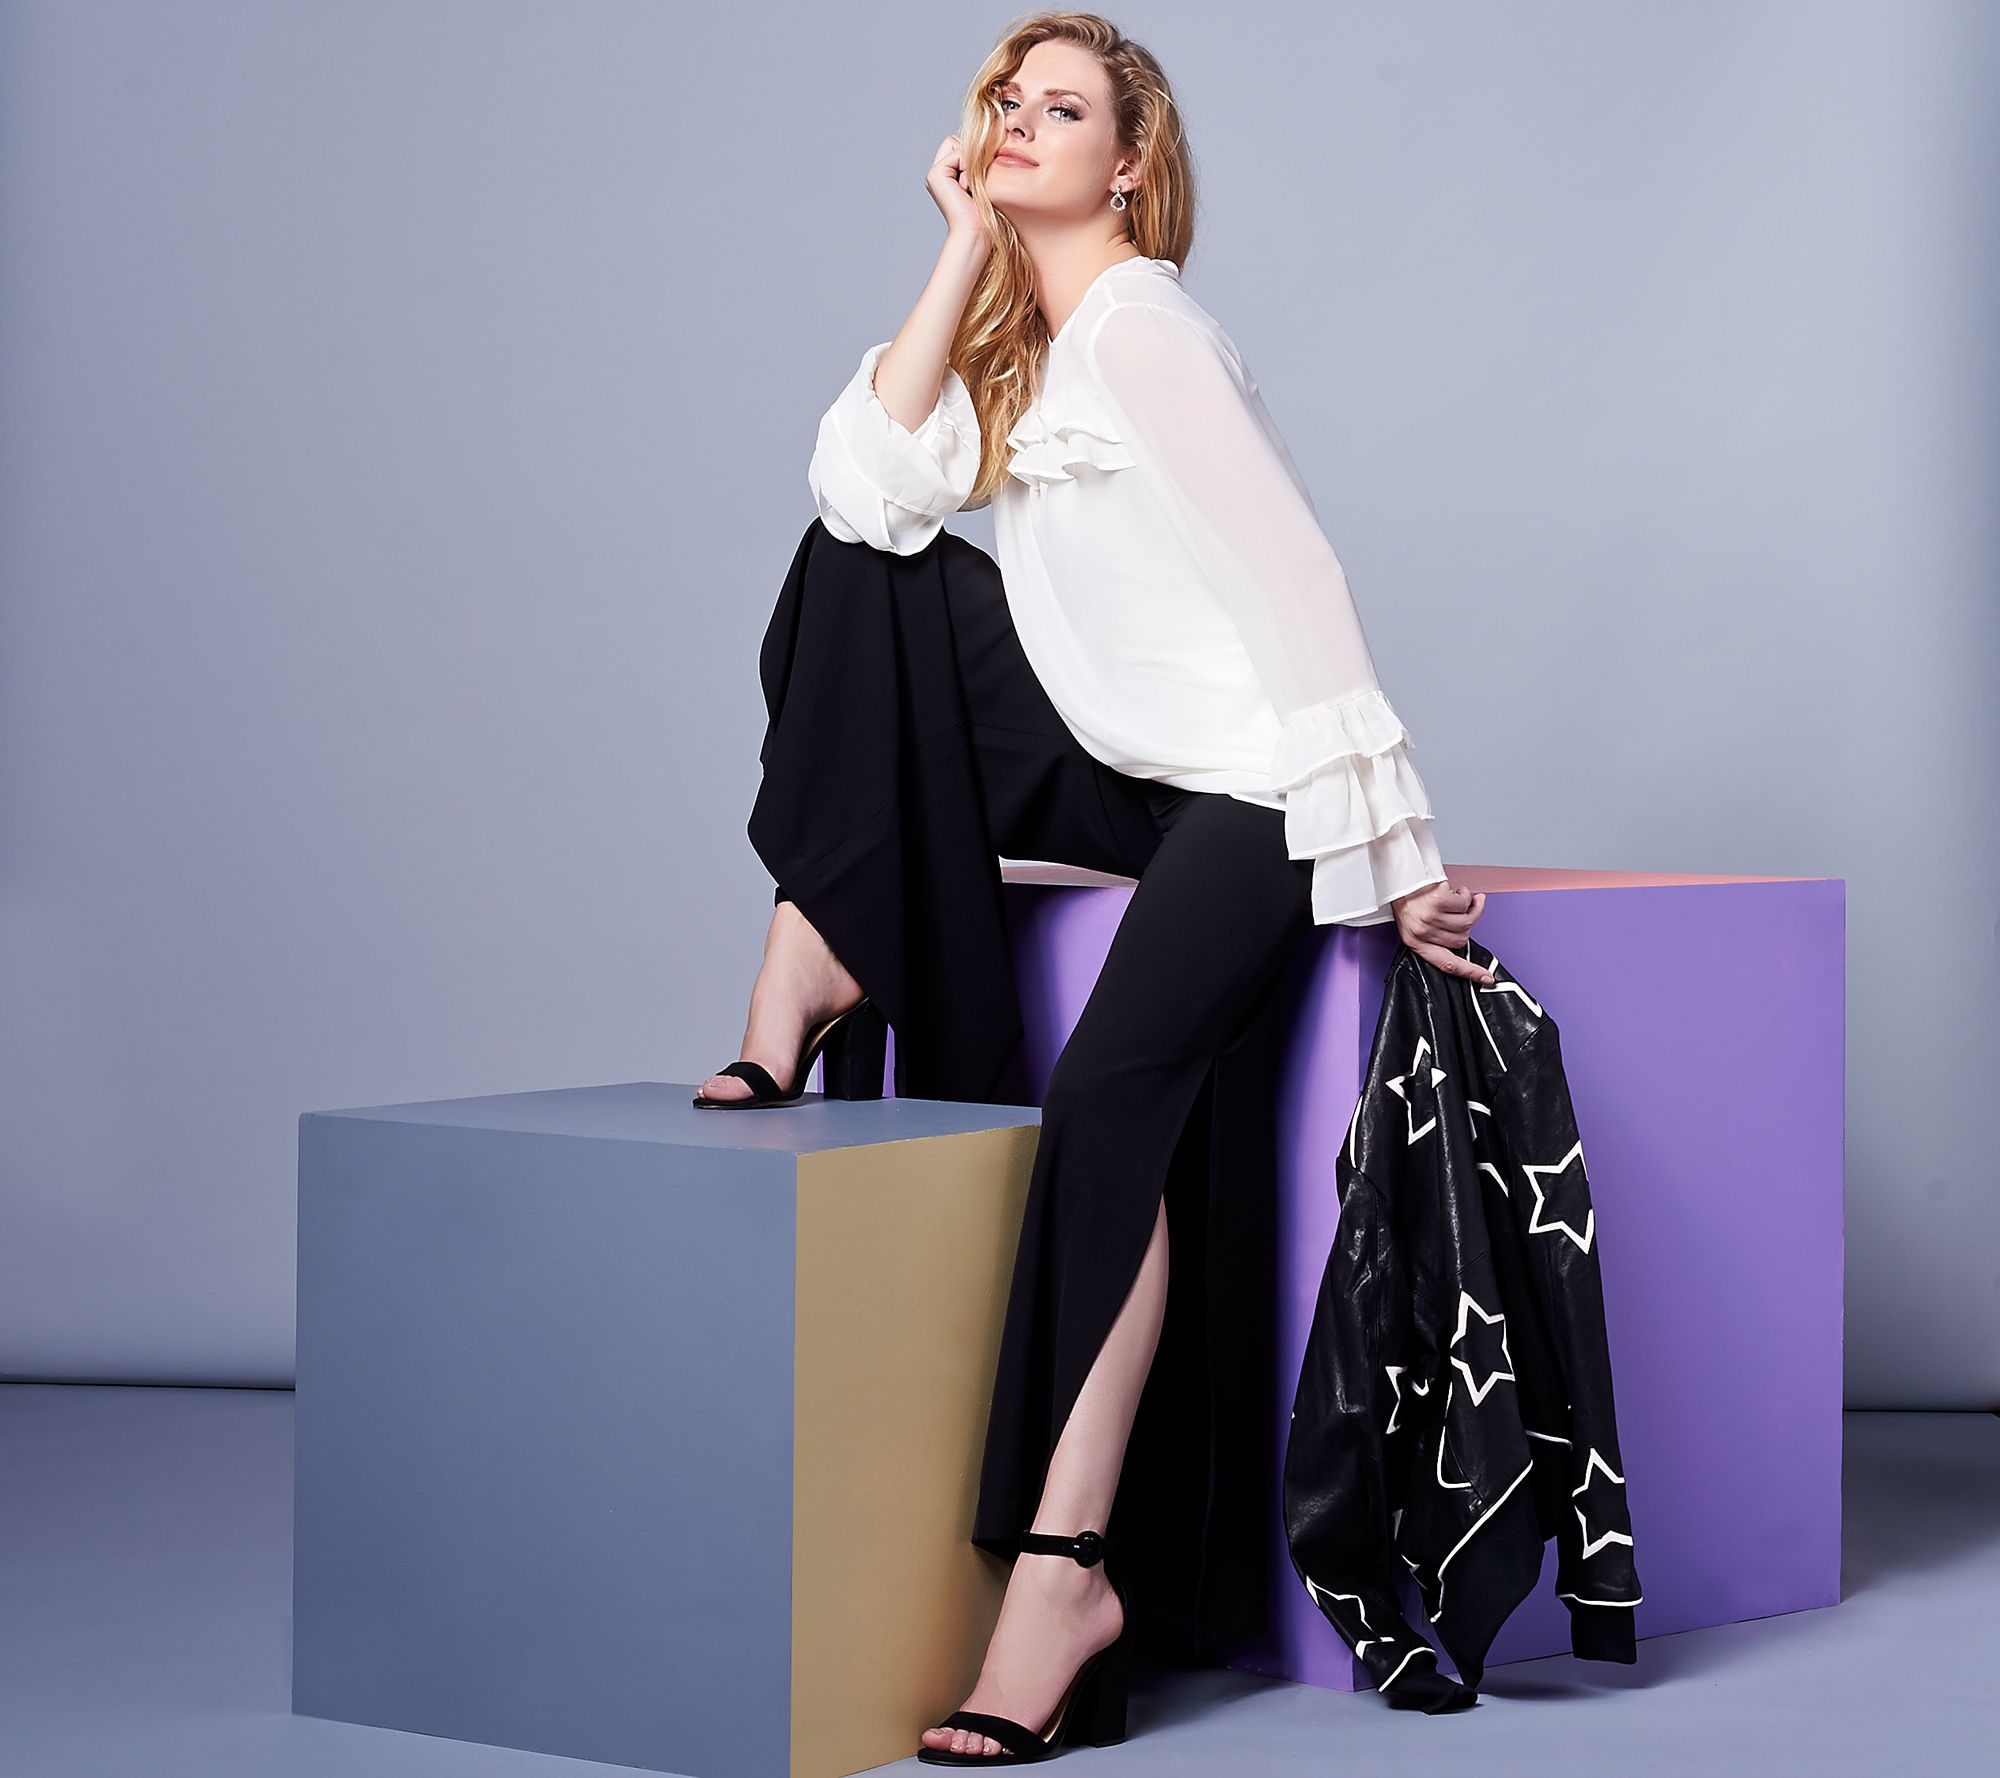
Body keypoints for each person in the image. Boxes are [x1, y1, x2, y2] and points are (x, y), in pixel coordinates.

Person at [697, 12, 1490, 1763]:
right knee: (863, 568)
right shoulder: (1031, 346)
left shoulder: (1143, 327)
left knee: (1111, 1099)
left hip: (1250, 794)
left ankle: (1065, 1573)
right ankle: (816, 938)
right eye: (1007, 101)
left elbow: (1301, 576)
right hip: (1128, 766)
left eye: (1062, 110)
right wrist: (960, 242)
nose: (1020, 124)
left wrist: (1399, 853)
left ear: (1130, 164)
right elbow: (862, 486)